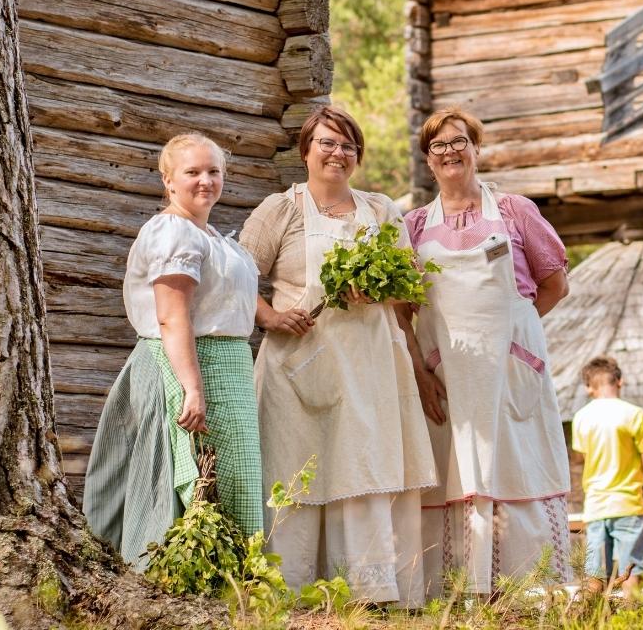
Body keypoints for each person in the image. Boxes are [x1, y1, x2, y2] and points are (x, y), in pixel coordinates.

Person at [239, 106, 436, 606]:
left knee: (361, 464)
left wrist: (382, 289)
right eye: (327, 143)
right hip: (297, 363)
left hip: (371, 360)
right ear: (306, 150)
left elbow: (411, 283)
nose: (338, 153)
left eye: (348, 146)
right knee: (296, 464)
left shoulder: (381, 210)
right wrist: (270, 317)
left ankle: (369, 589)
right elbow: (237, 280)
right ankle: (289, 588)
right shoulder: (278, 210)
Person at [403, 107, 572, 597]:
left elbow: (556, 283)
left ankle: (529, 588)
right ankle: (454, 590)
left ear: (477, 150)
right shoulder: (413, 227)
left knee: (517, 461)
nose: (451, 151)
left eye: (460, 141)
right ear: (428, 161)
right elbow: (401, 310)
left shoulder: (516, 211)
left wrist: (515, 339)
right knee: (454, 467)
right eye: (439, 146)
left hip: (510, 368)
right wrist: (421, 371)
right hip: (447, 373)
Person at [85, 133, 263, 568]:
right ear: (168, 181)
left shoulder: (214, 237)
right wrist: (191, 387)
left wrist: (275, 318)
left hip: (230, 368)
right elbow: (172, 315)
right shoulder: (172, 232)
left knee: (235, 479)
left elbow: (227, 301)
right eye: (193, 172)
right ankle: (183, 579)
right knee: (202, 477)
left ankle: (234, 588)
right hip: (189, 364)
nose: (205, 181)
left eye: (214, 171)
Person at [571, 356, 643, 597]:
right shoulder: (635, 414)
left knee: (595, 574)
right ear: (620, 381)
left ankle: (589, 620)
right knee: (630, 571)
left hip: (595, 506)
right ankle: (631, 620)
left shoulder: (581, 417)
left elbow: (581, 457)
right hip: (627, 504)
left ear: (588, 387)